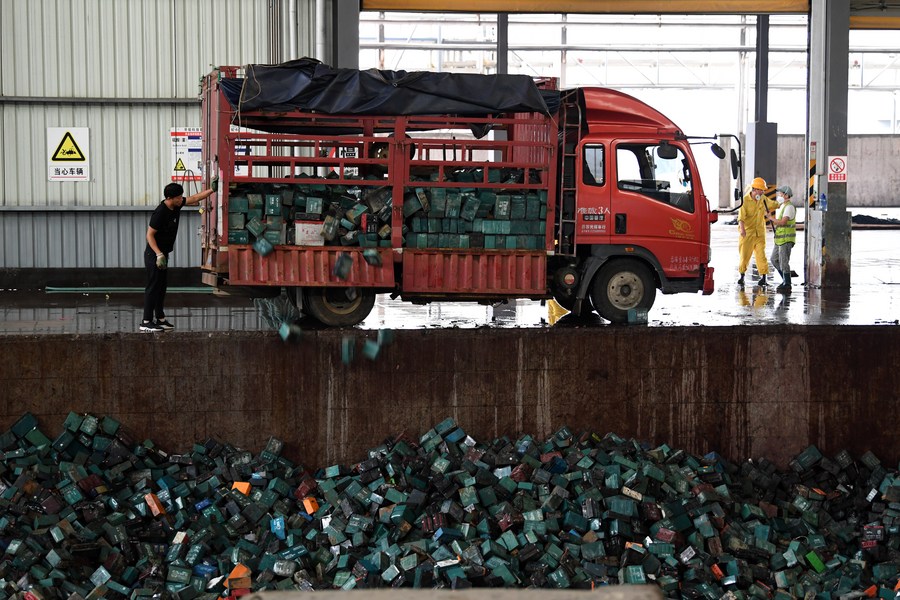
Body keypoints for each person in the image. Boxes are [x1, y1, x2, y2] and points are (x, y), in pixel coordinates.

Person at [140, 183, 214, 332]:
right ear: (169, 198)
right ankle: (146, 321)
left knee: (161, 287)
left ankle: (160, 319)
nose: (182, 199)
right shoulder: (160, 212)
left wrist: (213, 189)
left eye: (181, 197)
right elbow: (149, 235)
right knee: (153, 287)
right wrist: (159, 254)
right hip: (154, 254)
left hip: (163, 254)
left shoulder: (176, 205)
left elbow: (194, 198)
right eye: (179, 197)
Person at [737, 177, 773, 288]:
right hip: (747, 234)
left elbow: (772, 203)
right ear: (755, 189)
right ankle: (742, 276)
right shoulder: (745, 201)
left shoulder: (763, 199)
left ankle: (764, 278)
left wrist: (783, 203)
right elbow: (741, 218)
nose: (762, 192)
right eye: (761, 190)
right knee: (745, 256)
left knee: (761, 256)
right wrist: (742, 230)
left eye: (763, 190)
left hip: (759, 234)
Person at [766, 185, 797, 293]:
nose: (779, 195)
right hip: (780, 239)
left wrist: (770, 218)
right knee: (774, 259)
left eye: (781, 193)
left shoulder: (789, 207)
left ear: (786, 195)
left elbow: (783, 222)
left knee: (784, 262)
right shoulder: (783, 206)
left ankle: (787, 284)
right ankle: (784, 279)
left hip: (786, 239)